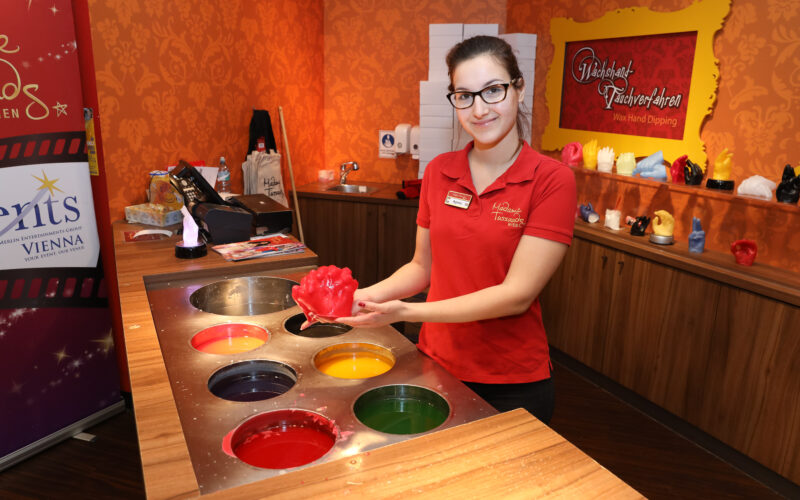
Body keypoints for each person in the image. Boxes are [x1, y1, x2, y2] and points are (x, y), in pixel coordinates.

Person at [335, 36, 576, 424]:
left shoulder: (551, 180)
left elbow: (515, 296)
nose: (479, 109)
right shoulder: (439, 171)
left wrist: (406, 312)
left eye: (493, 91)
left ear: (519, 88)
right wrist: (360, 299)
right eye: (464, 95)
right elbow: (421, 267)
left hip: (511, 382)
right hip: (436, 366)